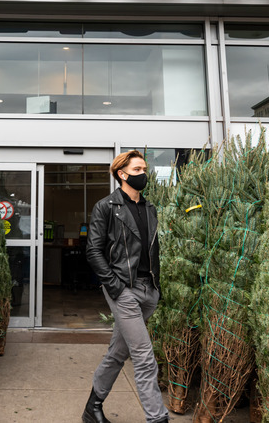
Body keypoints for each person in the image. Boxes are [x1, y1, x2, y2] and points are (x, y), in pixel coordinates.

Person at [83, 150, 167, 423]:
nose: (144, 173)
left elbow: (151, 251)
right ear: (122, 174)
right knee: (144, 357)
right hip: (124, 290)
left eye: (145, 168)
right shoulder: (107, 206)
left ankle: (92, 408)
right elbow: (93, 251)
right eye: (138, 169)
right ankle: (158, 418)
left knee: (119, 352)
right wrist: (115, 287)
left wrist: (156, 287)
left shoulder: (149, 208)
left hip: (148, 290)